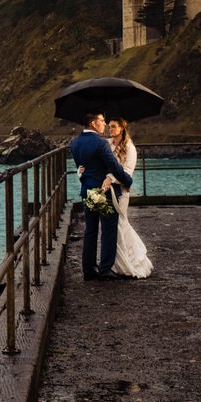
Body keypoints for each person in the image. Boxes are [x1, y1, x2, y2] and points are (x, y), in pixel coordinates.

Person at [71, 112, 132, 281]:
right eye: (102, 120)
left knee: (90, 230)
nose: (104, 124)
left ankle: (88, 269)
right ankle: (105, 269)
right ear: (92, 123)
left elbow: (82, 168)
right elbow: (113, 166)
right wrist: (128, 180)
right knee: (108, 228)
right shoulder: (101, 143)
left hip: (87, 191)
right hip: (103, 192)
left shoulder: (75, 143)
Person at [103, 118, 153, 278]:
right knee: (113, 226)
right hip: (106, 188)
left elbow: (128, 171)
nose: (110, 129)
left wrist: (111, 178)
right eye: (109, 127)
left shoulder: (130, 148)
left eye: (114, 127)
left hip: (121, 190)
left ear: (122, 128)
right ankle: (114, 262)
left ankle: (128, 262)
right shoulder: (108, 144)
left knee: (120, 224)